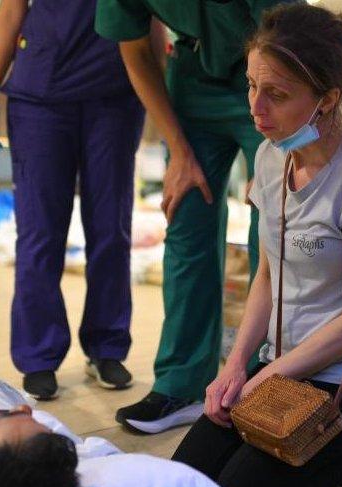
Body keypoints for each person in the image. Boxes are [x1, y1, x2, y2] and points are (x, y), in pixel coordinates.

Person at [170, 5, 342, 487]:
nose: (256, 109)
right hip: (281, 367)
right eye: (252, 86)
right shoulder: (268, 158)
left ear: (326, 99)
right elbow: (266, 275)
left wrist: (268, 376)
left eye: (277, 95)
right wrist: (235, 365)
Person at [95, 0, 297, 433]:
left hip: (272, 70)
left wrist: (273, 151)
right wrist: (179, 151)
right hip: (192, 78)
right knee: (186, 220)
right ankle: (182, 383)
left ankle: (270, 383)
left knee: (276, 231)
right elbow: (135, 52)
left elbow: (290, 36)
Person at [0, 0, 146, 399]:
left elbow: (149, 17)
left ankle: (106, 347)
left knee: (111, 229)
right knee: (39, 232)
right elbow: (10, 11)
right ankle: (38, 356)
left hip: (114, 97)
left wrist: (161, 85)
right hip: (41, 96)